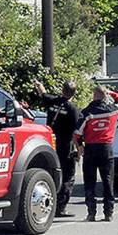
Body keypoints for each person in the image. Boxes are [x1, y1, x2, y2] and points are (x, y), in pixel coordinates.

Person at [74, 86, 118, 222]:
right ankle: (108, 213)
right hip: (106, 149)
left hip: (91, 149)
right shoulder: (113, 110)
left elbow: (77, 133)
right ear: (105, 96)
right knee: (108, 181)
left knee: (90, 182)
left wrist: (79, 146)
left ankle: (91, 213)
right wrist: (112, 93)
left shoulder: (86, 112)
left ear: (94, 95)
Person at [35, 79, 82, 217]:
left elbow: (43, 94)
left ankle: (48, 202)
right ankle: (60, 208)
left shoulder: (53, 101)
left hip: (50, 143)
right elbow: (77, 132)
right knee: (68, 176)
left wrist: (39, 84)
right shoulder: (73, 110)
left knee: (50, 173)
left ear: (62, 90)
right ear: (74, 93)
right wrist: (79, 151)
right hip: (65, 147)